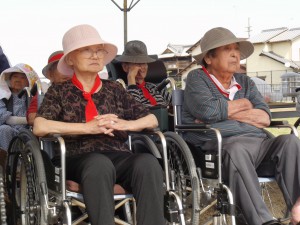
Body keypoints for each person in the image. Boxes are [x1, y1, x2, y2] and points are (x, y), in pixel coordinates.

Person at [33, 24, 165, 225]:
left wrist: (125, 124)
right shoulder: (59, 91)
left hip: (117, 154)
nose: (95, 56)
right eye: (86, 50)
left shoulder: (115, 89)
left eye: (99, 51)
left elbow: (152, 119)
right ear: (70, 59)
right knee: (98, 164)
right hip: (76, 157)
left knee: (147, 163)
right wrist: (86, 128)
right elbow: (40, 126)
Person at [182, 27, 300, 225]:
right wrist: (246, 105)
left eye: (236, 49)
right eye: (227, 49)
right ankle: (263, 221)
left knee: (289, 141)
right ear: (209, 59)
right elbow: (208, 112)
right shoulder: (197, 78)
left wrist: (226, 113)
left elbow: (264, 118)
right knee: (235, 148)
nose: (235, 54)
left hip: (258, 145)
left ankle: (298, 208)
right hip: (219, 149)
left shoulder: (245, 82)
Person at [115, 40, 171, 108]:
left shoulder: (153, 87)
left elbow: (177, 102)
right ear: (125, 67)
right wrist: (131, 77)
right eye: (138, 63)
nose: (143, 67)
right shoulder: (121, 90)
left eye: (144, 63)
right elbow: (133, 110)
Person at [0, 63, 39, 151]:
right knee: (4, 129)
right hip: (8, 131)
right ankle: (9, 159)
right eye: (15, 77)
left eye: (22, 77)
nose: (18, 80)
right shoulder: (2, 96)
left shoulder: (33, 96)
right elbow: (1, 117)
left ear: (28, 81)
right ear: (9, 79)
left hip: (28, 131)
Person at [26, 50, 72, 125]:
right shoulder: (43, 91)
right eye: (61, 68)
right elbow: (31, 119)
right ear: (50, 74)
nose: (65, 72)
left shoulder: (83, 89)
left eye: (70, 68)